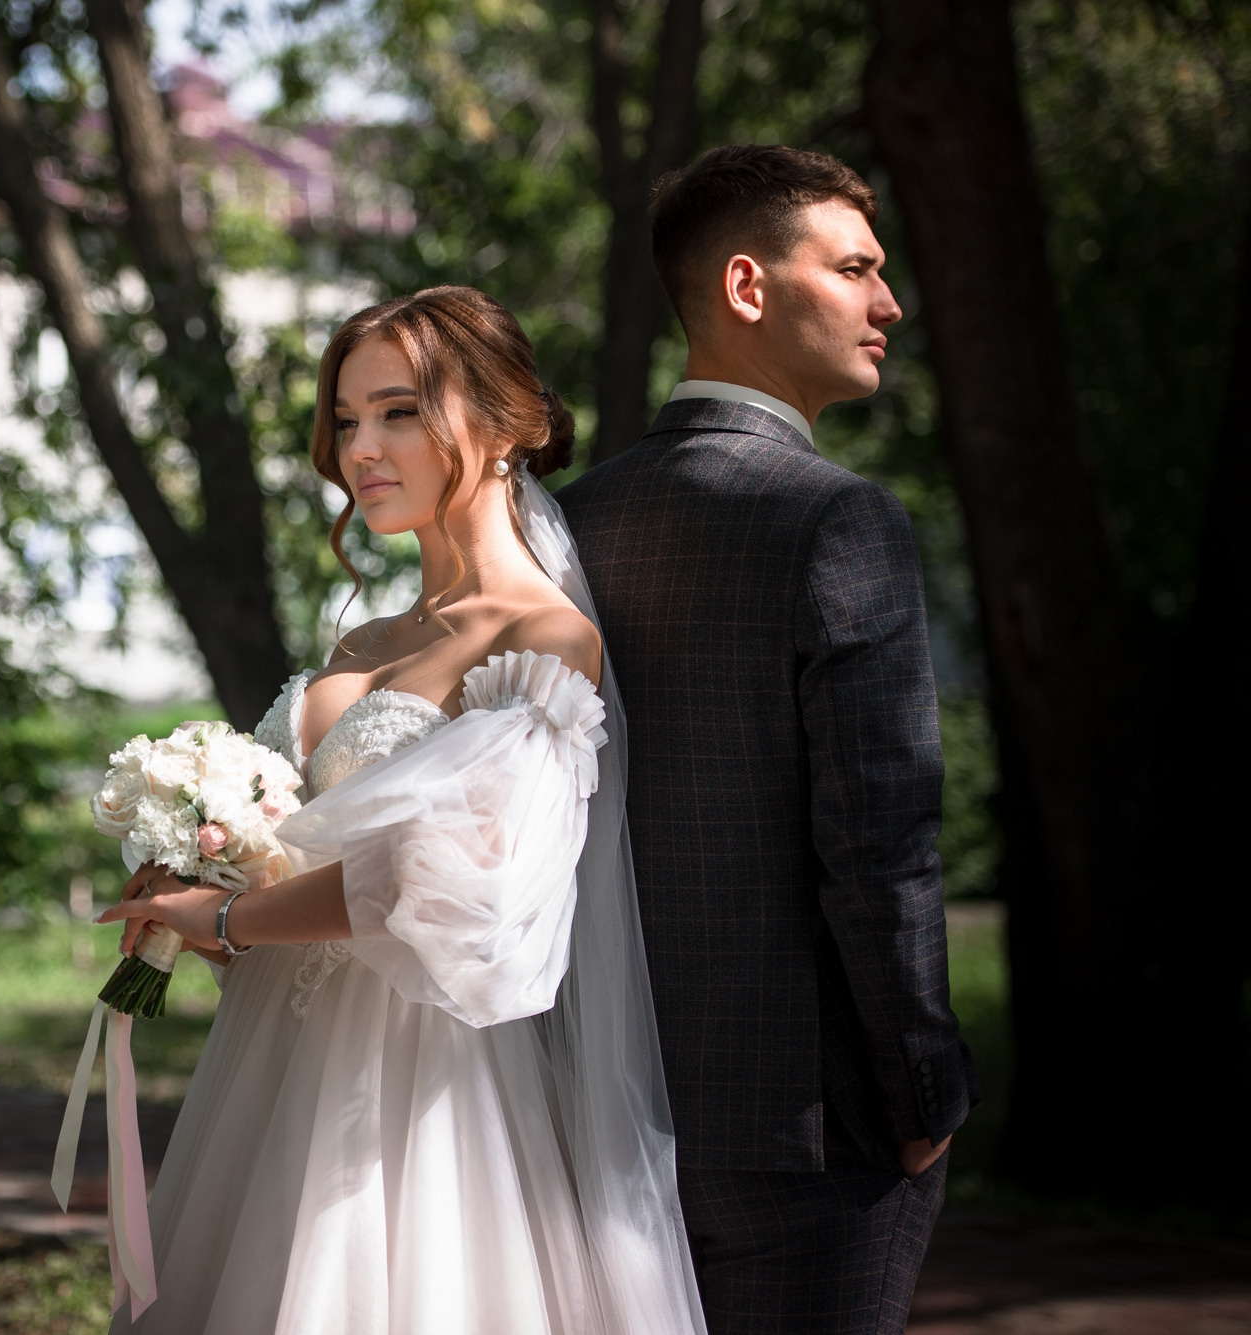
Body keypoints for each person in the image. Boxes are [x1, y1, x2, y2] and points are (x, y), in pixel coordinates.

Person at [97, 287, 705, 1334]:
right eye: (344, 419)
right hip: (268, 1078)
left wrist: (226, 915)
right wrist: (206, 897)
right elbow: (304, 910)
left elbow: (437, 895)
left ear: (508, 424)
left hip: (419, 1100)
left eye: (399, 411)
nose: (359, 449)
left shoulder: (542, 644)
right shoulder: (359, 644)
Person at [555, 144, 978, 1335]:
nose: (887, 302)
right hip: (810, 1127)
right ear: (748, 287)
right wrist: (922, 1089)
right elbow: (878, 840)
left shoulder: (566, 524)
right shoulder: (837, 520)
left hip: (592, 1107)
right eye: (853, 269)